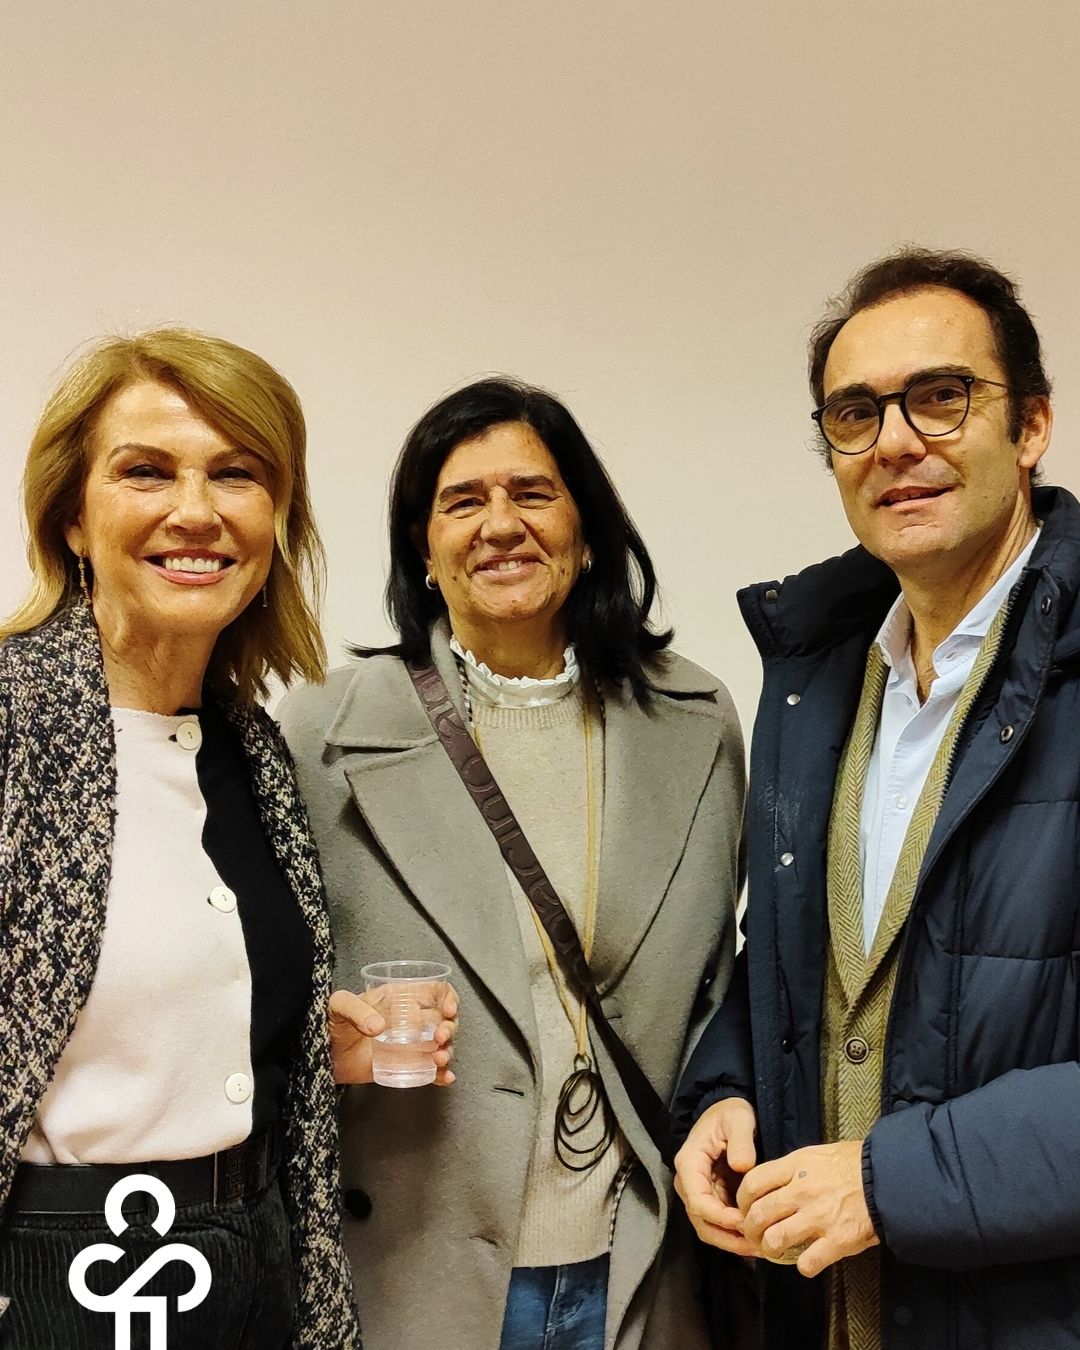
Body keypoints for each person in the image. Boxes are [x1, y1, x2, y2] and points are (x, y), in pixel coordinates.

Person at [279, 377, 745, 1350]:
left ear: (587, 529)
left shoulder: (696, 723)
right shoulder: (327, 731)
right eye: (462, 501)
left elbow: (719, 991)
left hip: (641, 1271)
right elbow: (262, 997)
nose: (500, 524)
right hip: (411, 1274)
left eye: (533, 493)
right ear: (422, 546)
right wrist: (325, 1042)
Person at [673, 247, 1080, 1349]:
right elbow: (792, 960)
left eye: (941, 397)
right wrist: (724, 1090)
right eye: (855, 414)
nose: (895, 441)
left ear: (1031, 426)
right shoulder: (817, 681)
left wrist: (891, 1182)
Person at [0, 328, 419, 1348]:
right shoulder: (12, 725)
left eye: (236, 474)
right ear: (72, 518)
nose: (195, 511)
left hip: (252, 1266)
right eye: (146, 471)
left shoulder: (252, 748)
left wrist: (294, 1037)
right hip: (61, 1286)